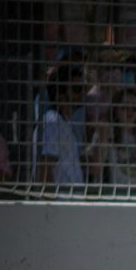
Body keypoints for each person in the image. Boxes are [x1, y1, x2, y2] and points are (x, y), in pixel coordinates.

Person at [37, 62, 86, 193]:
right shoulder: (53, 122)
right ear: (60, 95)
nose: (83, 94)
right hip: (62, 204)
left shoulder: (65, 124)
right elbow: (45, 169)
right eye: (76, 90)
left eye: (83, 88)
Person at [106, 88, 136, 192]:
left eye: (135, 108)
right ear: (116, 110)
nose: (131, 112)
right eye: (125, 107)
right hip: (112, 195)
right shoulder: (107, 133)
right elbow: (96, 170)